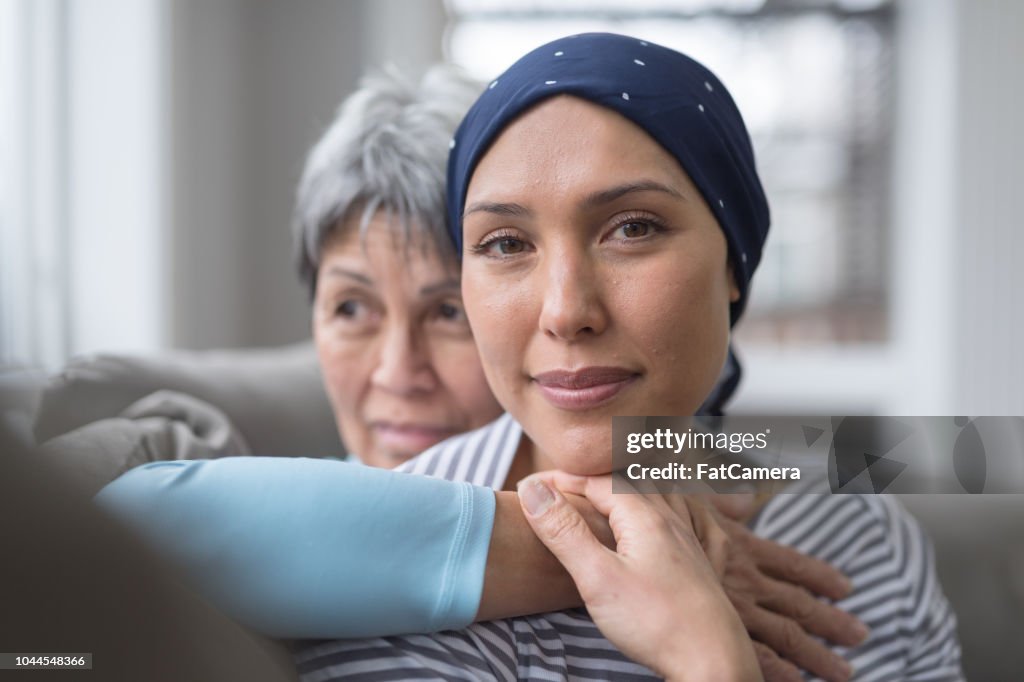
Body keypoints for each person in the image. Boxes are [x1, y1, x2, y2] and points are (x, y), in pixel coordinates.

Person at [98, 58, 872, 680]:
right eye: (351, 309)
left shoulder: (727, 475)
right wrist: (599, 552)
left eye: (447, 314)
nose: (399, 373)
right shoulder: (205, 458)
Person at [287, 33, 962, 681]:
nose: (565, 311)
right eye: (505, 244)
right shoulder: (385, 562)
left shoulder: (865, 543)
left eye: (632, 228)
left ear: (734, 263)